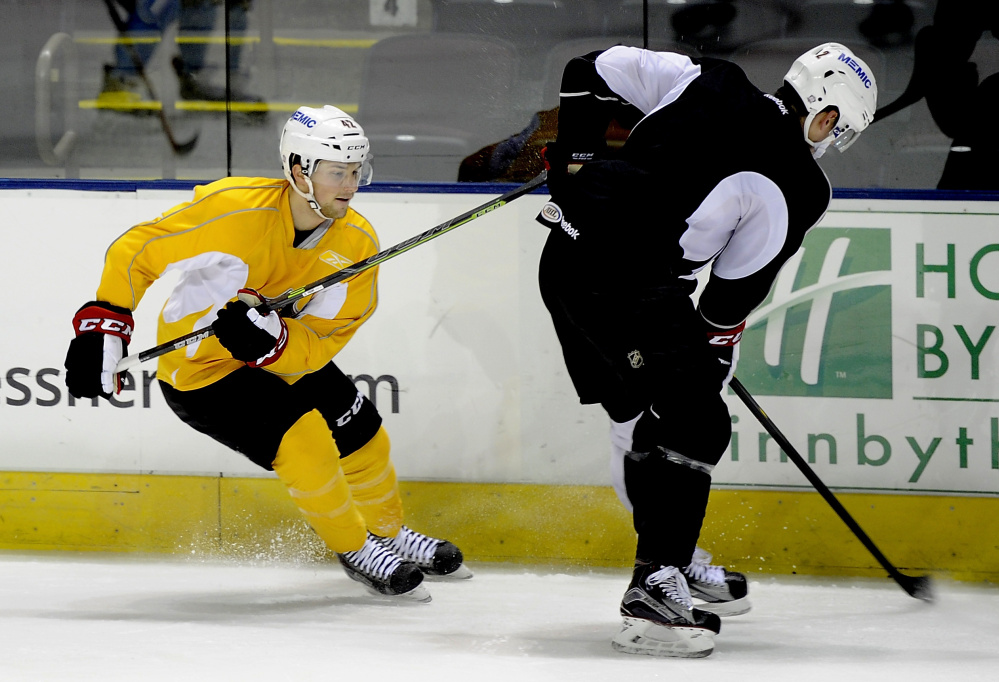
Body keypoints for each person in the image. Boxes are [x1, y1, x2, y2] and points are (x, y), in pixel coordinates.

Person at [536, 43, 877, 657]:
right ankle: (655, 589)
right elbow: (722, 311)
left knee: (642, 414)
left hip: (563, 260)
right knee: (698, 422)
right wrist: (710, 363)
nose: (830, 142)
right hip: (628, 282)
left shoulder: (704, 76)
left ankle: (672, 558)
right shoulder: (801, 186)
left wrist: (574, 164)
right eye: (838, 131)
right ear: (824, 118)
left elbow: (585, 71)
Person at [63, 104, 471, 601]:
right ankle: (356, 548)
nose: (350, 184)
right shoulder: (235, 210)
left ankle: (387, 535)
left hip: (278, 356)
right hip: (202, 373)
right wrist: (105, 325)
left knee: (364, 435)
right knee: (307, 442)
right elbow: (138, 250)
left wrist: (275, 343)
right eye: (337, 171)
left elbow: (326, 338)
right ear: (299, 170)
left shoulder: (357, 242)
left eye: (356, 171)